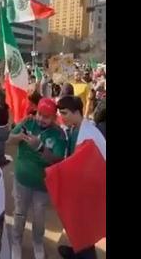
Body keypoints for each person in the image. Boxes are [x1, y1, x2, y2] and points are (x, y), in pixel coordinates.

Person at [8, 98, 67, 259]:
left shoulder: (59, 134)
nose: (41, 119)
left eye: (47, 116)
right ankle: (16, 242)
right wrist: (18, 136)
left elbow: (57, 160)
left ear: (54, 117)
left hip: (42, 185)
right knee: (19, 213)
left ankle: (38, 242)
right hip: (21, 180)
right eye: (40, 114)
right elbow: (9, 140)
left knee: (39, 217)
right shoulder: (28, 123)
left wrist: (40, 148)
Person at [56, 95, 105, 259]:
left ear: (77, 112)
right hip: (82, 190)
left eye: (65, 113)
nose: (62, 118)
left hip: (87, 192)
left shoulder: (87, 135)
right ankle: (77, 250)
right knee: (77, 227)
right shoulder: (78, 128)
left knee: (83, 228)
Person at [0, 89, 12, 166]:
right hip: (3, 128)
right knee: (1, 145)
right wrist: (9, 126)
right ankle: (0, 161)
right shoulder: (5, 106)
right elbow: (9, 116)